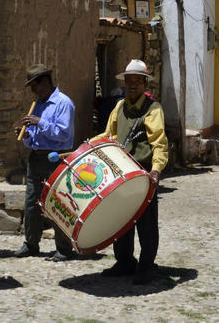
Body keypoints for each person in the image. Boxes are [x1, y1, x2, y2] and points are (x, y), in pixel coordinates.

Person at [92, 59, 168, 285]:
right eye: (129, 81)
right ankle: (124, 261)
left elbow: (159, 143)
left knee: (146, 223)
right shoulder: (119, 107)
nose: (132, 85)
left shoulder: (153, 109)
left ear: (145, 83)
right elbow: (108, 136)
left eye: (137, 81)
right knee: (121, 219)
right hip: (121, 172)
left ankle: (146, 266)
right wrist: (84, 147)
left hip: (143, 174)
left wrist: (155, 171)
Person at [15, 63, 77, 261]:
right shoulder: (39, 104)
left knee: (58, 202)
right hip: (37, 158)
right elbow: (35, 136)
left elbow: (63, 134)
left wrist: (39, 122)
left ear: (44, 82)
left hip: (56, 157)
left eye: (34, 86)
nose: (33, 91)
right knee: (32, 203)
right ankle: (31, 243)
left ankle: (64, 248)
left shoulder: (63, 103)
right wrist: (25, 135)